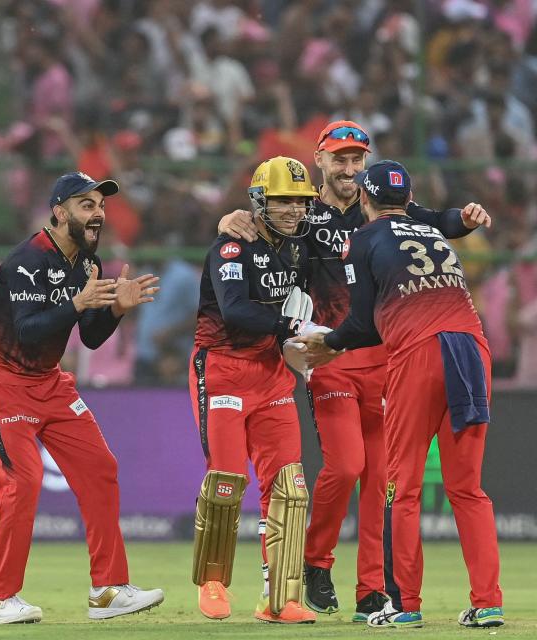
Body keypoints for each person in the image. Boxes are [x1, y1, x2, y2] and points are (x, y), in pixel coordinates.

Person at [217, 120, 491, 620]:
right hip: (334, 357)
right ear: (319, 160)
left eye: (356, 160)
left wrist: (467, 217)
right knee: (347, 466)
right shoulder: (302, 212)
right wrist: (234, 218)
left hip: (389, 360)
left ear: (365, 167)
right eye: (339, 159)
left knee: (382, 480)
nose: (348, 168)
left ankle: (371, 591)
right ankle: (316, 562)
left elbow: (439, 219)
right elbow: (265, 229)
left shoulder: (386, 210)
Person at [293, 160, 503, 630]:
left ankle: (406, 605)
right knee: (467, 489)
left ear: (365, 201)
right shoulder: (433, 233)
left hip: (419, 355)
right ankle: (488, 601)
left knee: (401, 488)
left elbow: (364, 324)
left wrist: (329, 343)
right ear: (408, 201)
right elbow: (449, 221)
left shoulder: (362, 239)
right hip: (473, 349)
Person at [0, 172, 162, 624]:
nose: (97, 214)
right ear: (59, 212)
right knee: (24, 481)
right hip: (3, 380)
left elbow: (91, 339)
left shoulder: (87, 265)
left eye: (100, 206)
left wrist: (115, 308)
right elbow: (27, 328)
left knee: (100, 467)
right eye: (86, 205)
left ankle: (108, 590)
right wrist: (78, 302)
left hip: (50, 382)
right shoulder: (24, 261)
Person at [189, 156, 317, 625]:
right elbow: (237, 311)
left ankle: (280, 598)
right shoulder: (231, 245)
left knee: (288, 485)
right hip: (223, 368)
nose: (294, 210)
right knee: (226, 479)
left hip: (272, 373)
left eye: (301, 201)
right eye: (284, 199)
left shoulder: (300, 245)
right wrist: (294, 325)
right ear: (260, 200)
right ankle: (214, 582)